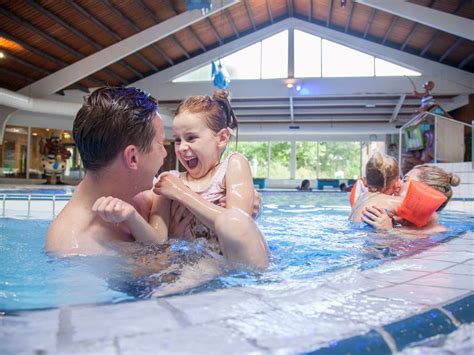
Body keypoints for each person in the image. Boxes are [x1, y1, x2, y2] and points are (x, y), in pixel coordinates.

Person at [89, 90, 269, 270]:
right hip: (201, 266)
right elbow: (157, 241)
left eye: (191, 138)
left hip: (241, 263)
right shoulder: (170, 181)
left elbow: (238, 224)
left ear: (221, 138)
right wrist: (131, 216)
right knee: (164, 290)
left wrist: (181, 193)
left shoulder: (232, 166)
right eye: (177, 140)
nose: (182, 148)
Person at [45, 87, 169, 256]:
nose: (165, 153)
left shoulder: (137, 192)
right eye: (161, 144)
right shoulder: (76, 249)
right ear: (132, 157)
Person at [362, 164, 460, 234]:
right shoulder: (400, 220)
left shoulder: (437, 231)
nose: (398, 183)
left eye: (405, 180)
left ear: (424, 191)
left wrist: (389, 231)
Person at [349, 152, 401, 223]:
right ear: (396, 183)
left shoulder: (361, 198)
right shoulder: (392, 202)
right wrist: (390, 230)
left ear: (367, 181)